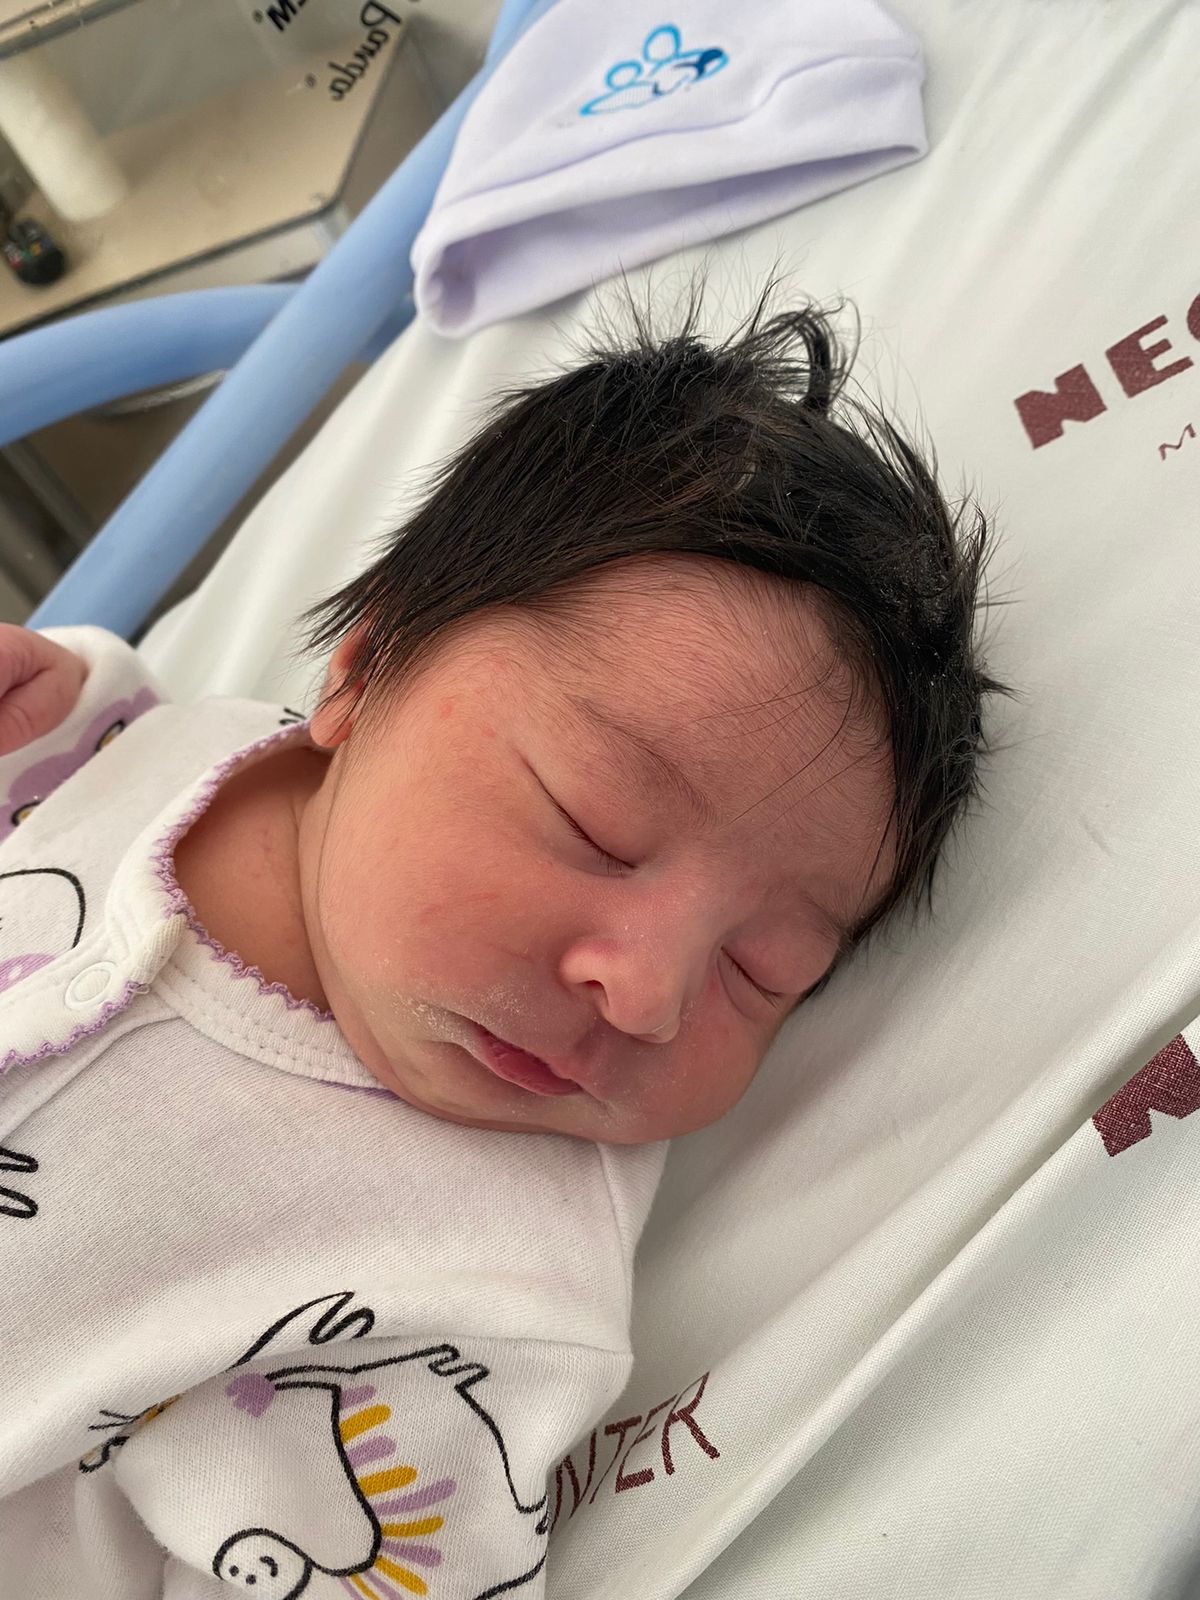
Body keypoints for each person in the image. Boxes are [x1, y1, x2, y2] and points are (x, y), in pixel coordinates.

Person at [0, 297, 1003, 1597]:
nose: (645, 994)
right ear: (361, 674)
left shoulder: (476, 1290)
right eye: (597, 825)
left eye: (763, 973)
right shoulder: (171, 748)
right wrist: (49, 710)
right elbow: (74, 779)